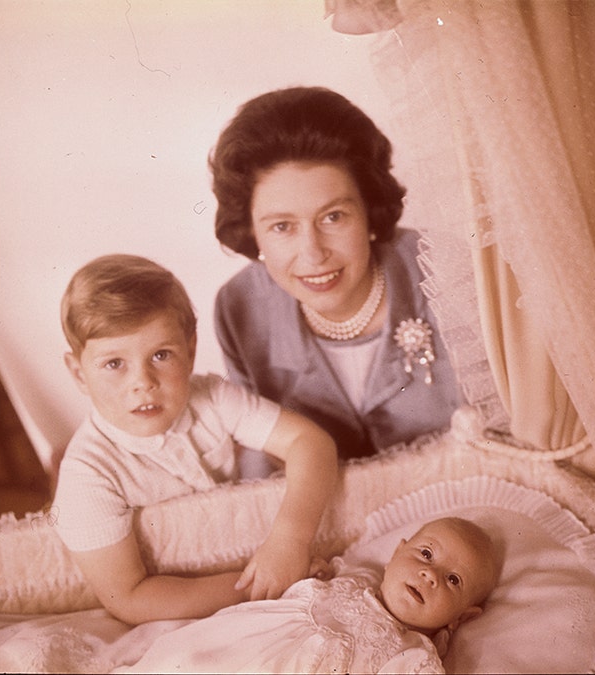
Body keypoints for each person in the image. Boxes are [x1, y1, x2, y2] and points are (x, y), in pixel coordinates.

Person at [50, 254, 339, 624]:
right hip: (184, 605)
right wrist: (261, 583)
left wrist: (289, 540)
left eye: (161, 354)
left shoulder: (212, 397)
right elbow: (127, 597)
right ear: (78, 373)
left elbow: (310, 443)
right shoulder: (88, 474)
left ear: (189, 351)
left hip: (258, 560)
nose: (143, 382)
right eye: (114, 363)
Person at [210, 86, 460, 478]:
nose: (313, 253)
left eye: (333, 217)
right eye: (282, 226)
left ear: (369, 210)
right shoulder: (239, 308)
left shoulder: (446, 270)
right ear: (252, 233)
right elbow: (260, 462)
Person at [118, 516, 500, 674]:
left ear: (461, 616)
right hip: (242, 653)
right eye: (426, 554)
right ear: (396, 552)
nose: (429, 575)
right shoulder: (352, 576)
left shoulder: (413, 655)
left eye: (453, 581)